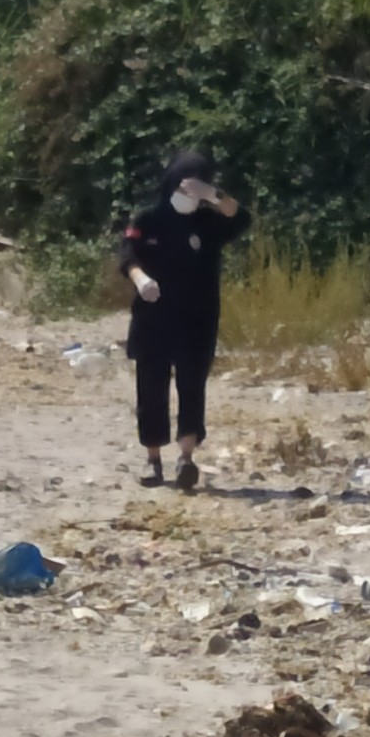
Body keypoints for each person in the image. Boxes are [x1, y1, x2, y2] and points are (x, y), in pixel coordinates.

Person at [119, 152, 251, 491]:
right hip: (153, 317)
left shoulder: (209, 224)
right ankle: (153, 460)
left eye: (199, 187)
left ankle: (187, 459)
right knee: (151, 389)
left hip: (197, 317)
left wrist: (213, 195)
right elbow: (128, 256)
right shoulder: (148, 218)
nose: (191, 194)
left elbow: (242, 218)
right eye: (186, 185)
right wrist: (141, 280)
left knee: (192, 386)